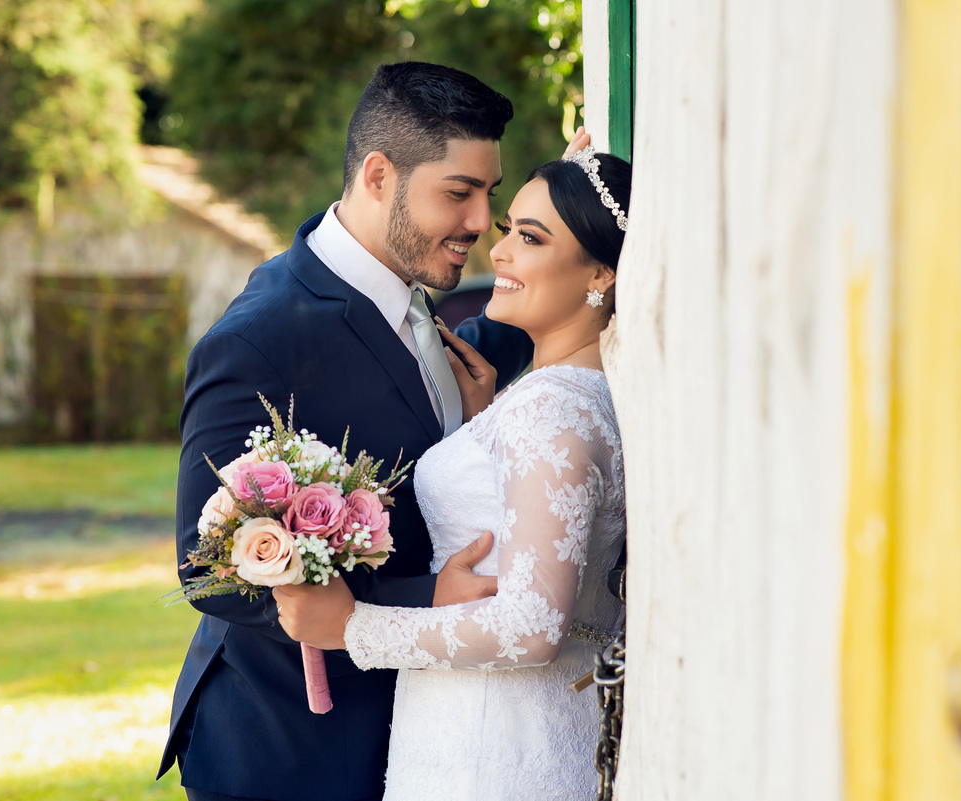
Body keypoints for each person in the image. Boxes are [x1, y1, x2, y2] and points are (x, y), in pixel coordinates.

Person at [157, 62, 538, 801]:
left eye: (489, 194)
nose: (477, 222)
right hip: (287, 749)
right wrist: (429, 595)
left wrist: (577, 219)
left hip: (412, 734)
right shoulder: (263, 337)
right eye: (458, 193)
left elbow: (455, 368)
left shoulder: (413, 290)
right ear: (378, 176)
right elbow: (207, 567)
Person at [275, 145, 631, 800]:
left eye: (530, 237)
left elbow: (531, 625)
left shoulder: (551, 412)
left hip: (490, 751)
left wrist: (352, 626)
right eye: (507, 232)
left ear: (601, 273)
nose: (498, 253)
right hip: (508, 731)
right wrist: (481, 423)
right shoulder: (573, 398)